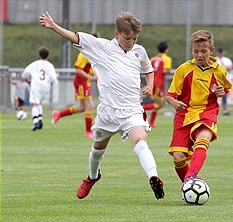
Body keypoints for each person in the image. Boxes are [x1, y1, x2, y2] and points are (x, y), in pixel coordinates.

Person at [39, 11, 164, 200]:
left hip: (132, 110)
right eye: (127, 38)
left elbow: (148, 69)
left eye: (134, 38)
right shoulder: (101, 47)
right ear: (116, 34)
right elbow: (75, 36)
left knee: (140, 141)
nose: (131, 42)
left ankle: (154, 177)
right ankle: (92, 176)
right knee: (97, 148)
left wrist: (150, 84)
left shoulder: (139, 51)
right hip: (107, 111)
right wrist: (54, 26)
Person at [165, 30, 232, 195]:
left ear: (211, 50)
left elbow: (226, 89)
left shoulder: (219, 71)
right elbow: (169, 95)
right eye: (196, 51)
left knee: (203, 140)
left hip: (207, 113)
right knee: (178, 157)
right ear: (191, 51)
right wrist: (174, 102)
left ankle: (188, 182)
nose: (199, 55)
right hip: (184, 115)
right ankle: (191, 183)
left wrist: (220, 92)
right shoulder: (184, 69)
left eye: (204, 51)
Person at [51, 32, 100, 138]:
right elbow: (78, 70)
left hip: (85, 82)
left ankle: (58, 114)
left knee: (83, 107)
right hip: (81, 82)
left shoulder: (92, 54)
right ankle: (88, 132)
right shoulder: (83, 54)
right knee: (89, 106)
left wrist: (94, 79)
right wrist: (92, 78)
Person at [21, 46, 57, 131]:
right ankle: (40, 118)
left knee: (34, 103)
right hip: (45, 87)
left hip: (36, 85)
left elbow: (24, 74)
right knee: (39, 102)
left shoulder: (34, 64)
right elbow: (53, 79)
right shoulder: (50, 65)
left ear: (39, 55)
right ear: (48, 56)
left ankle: (35, 121)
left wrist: (28, 80)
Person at [142, 41, 172, 127]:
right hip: (159, 83)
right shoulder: (166, 59)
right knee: (159, 104)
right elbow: (166, 70)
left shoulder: (153, 59)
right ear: (166, 50)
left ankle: (151, 122)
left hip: (151, 82)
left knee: (156, 103)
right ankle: (142, 108)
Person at [215, 47, 233, 115]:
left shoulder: (227, 59)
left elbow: (230, 67)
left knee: (224, 94)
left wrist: (221, 68)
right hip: (217, 80)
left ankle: (225, 109)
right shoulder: (215, 59)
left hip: (225, 80)